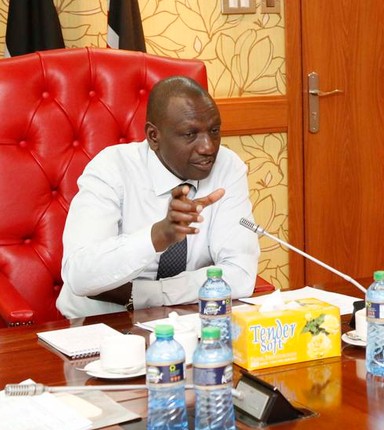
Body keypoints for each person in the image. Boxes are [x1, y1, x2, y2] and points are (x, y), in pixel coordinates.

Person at [57, 76, 260, 318]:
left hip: (188, 319)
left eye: (214, 131)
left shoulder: (227, 167)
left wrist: (142, 294)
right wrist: (158, 236)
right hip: (98, 323)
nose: (208, 147)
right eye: (190, 134)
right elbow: (79, 276)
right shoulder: (111, 168)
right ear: (154, 137)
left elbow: (240, 276)